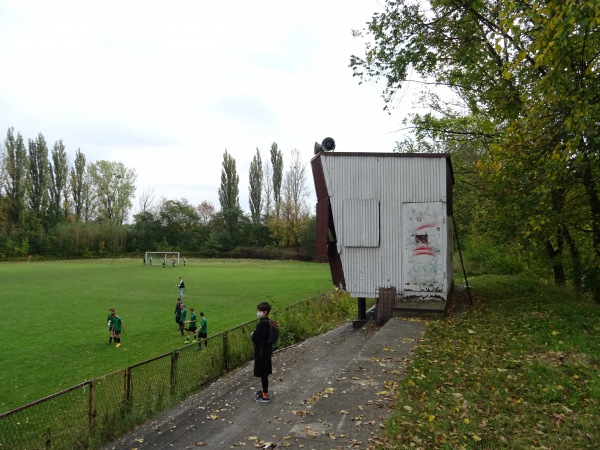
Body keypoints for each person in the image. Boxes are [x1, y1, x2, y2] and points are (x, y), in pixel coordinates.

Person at [251, 302, 273, 403]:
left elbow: (255, 338)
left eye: (259, 311)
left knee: (263, 374)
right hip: (267, 351)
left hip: (261, 352)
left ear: (264, 312)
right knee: (264, 373)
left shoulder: (262, 324)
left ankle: (265, 395)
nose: (257, 312)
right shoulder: (268, 322)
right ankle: (264, 390)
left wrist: (253, 334)